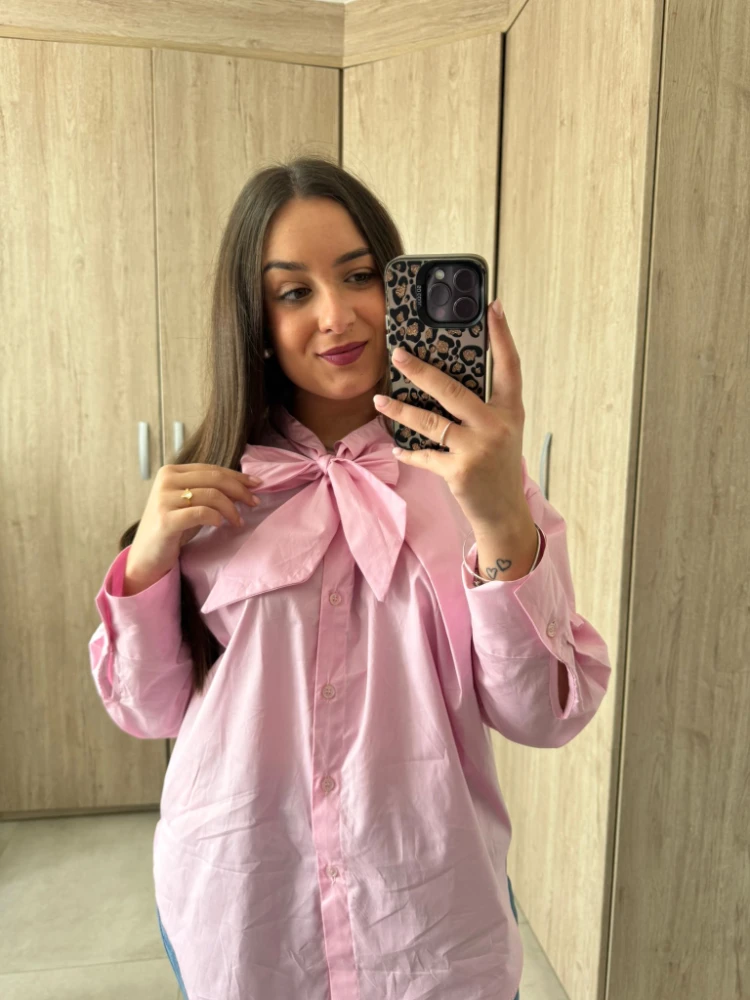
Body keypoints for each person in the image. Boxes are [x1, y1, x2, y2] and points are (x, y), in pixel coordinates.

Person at [89, 156, 611, 1000]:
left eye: (361, 276)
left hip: (430, 923)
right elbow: (146, 711)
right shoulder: (212, 491)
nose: (337, 315)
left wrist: (499, 519)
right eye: (294, 291)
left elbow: (544, 714)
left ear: (397, 286)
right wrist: (146, 562)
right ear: (256, 319)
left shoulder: (478, 483)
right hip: (244, 911)